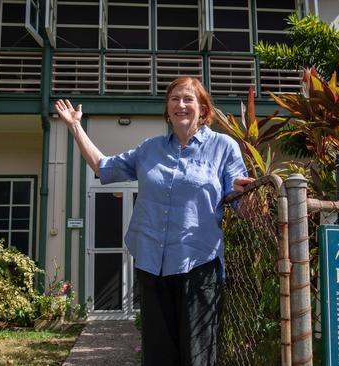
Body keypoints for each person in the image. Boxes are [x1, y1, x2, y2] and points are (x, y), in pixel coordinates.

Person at [55, 76, 254, 365]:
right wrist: (75, 126)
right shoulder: (150, 149)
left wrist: (246, 195)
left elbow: (240, 204)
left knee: (197, 356)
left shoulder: (223, 147)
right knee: (158, 356)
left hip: (198, 266)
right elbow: (103, 167)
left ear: (203, 108)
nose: (180, 104)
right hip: (152, 264)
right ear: (167, 109)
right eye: (174, 99)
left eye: (188, 99)